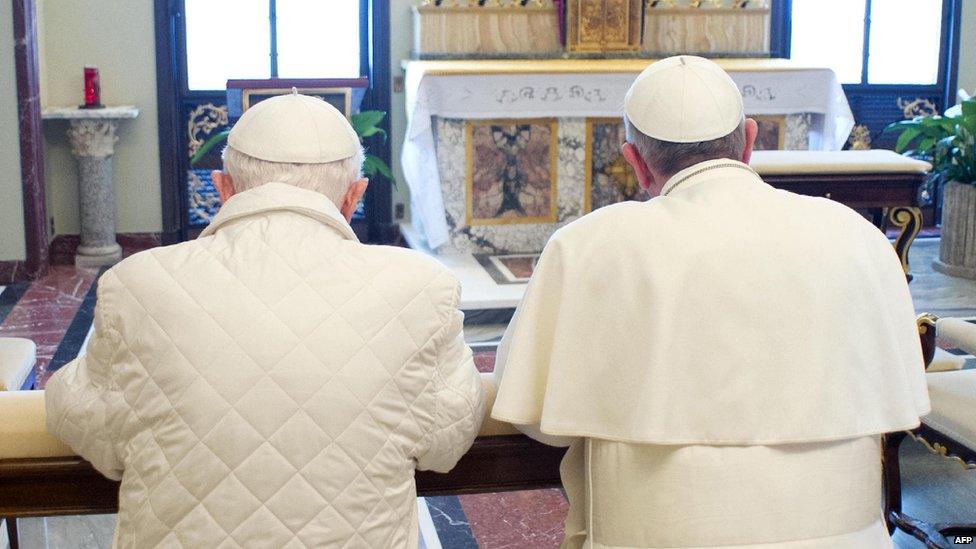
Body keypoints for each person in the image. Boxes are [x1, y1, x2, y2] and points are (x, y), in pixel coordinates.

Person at [491, 56, 930, 549]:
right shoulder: (857, 236)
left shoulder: (589, 245)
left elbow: (531, 413)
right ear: (748, 140)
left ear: (635, 162)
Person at [45, 92, 486, 548]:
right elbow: (447, 440)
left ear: (223, 188)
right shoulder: (421, 288)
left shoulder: (135, 284)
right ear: (355, 196)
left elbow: (87, 423)